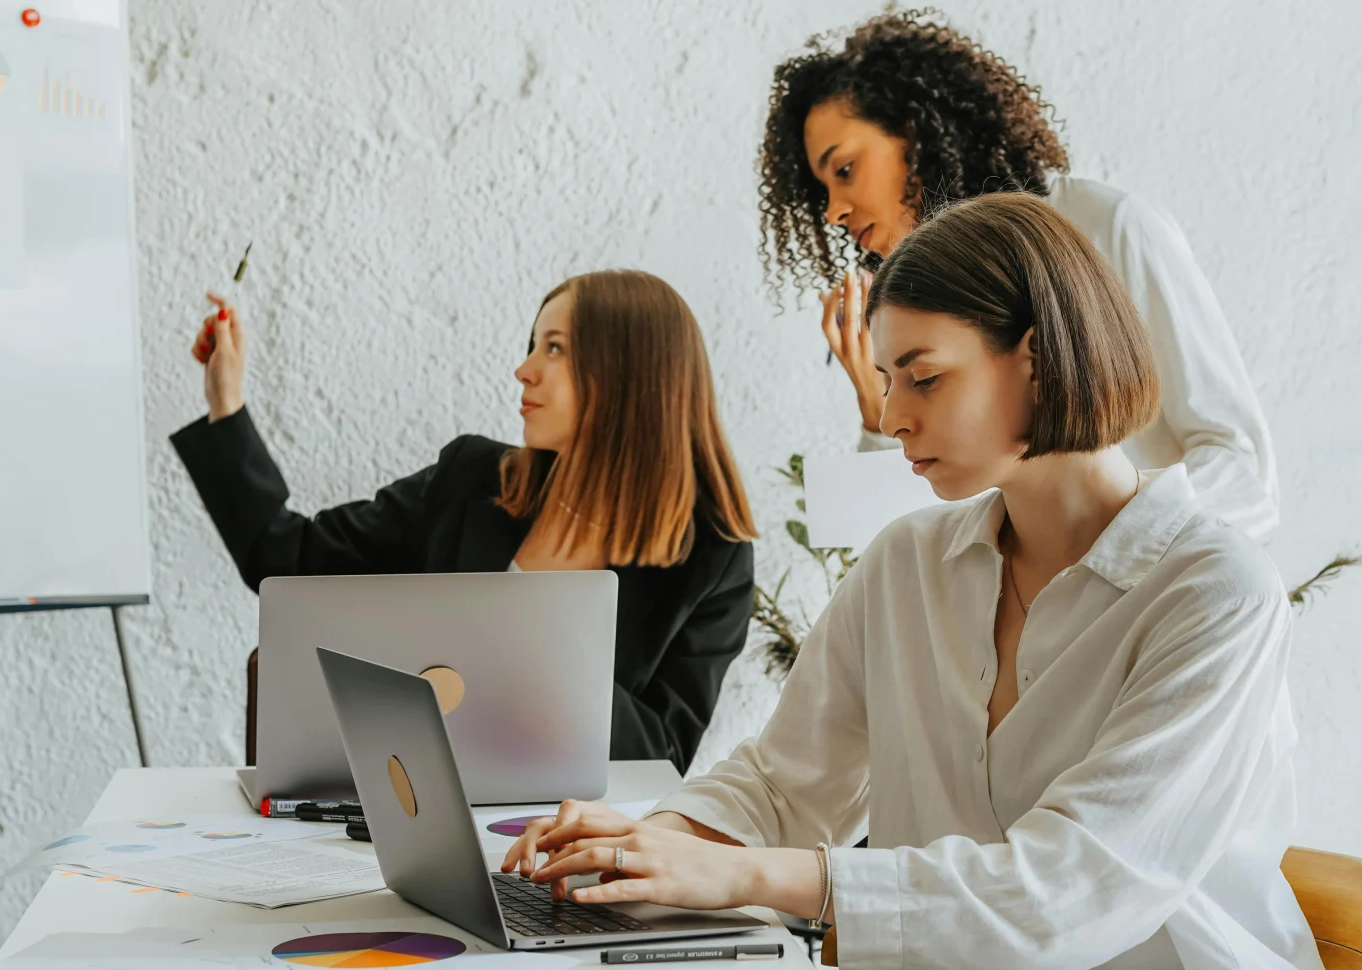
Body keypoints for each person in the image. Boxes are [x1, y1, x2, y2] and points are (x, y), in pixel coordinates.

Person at [502, 195, 1319, 970]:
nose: (891, 417)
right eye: (887, 379)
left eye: (922, 378)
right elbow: (785, 782)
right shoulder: (907, 563)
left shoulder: (1215, 594)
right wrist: (641, 844)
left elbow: (1067, 893)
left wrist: (750, 878)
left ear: (1037, 357)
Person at [171, 269, 758, 773]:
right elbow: (284, 559)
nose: (523, 369)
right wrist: (227, 403)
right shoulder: (472, 480)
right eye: (534, 344)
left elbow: (663, 758)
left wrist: (536, 641)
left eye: (555, 348)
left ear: (631, 376)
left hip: (560, 843)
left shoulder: (712, 557)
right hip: (412, 803)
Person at [759, 10, 1278, 538]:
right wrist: (879, 408)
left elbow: (1241, 468)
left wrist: (1109, 549)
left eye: (844, 170)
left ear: (916, 133)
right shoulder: (915, 308)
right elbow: (903, 545)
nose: (832, 212)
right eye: (821, 191)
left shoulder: (1108, 228)